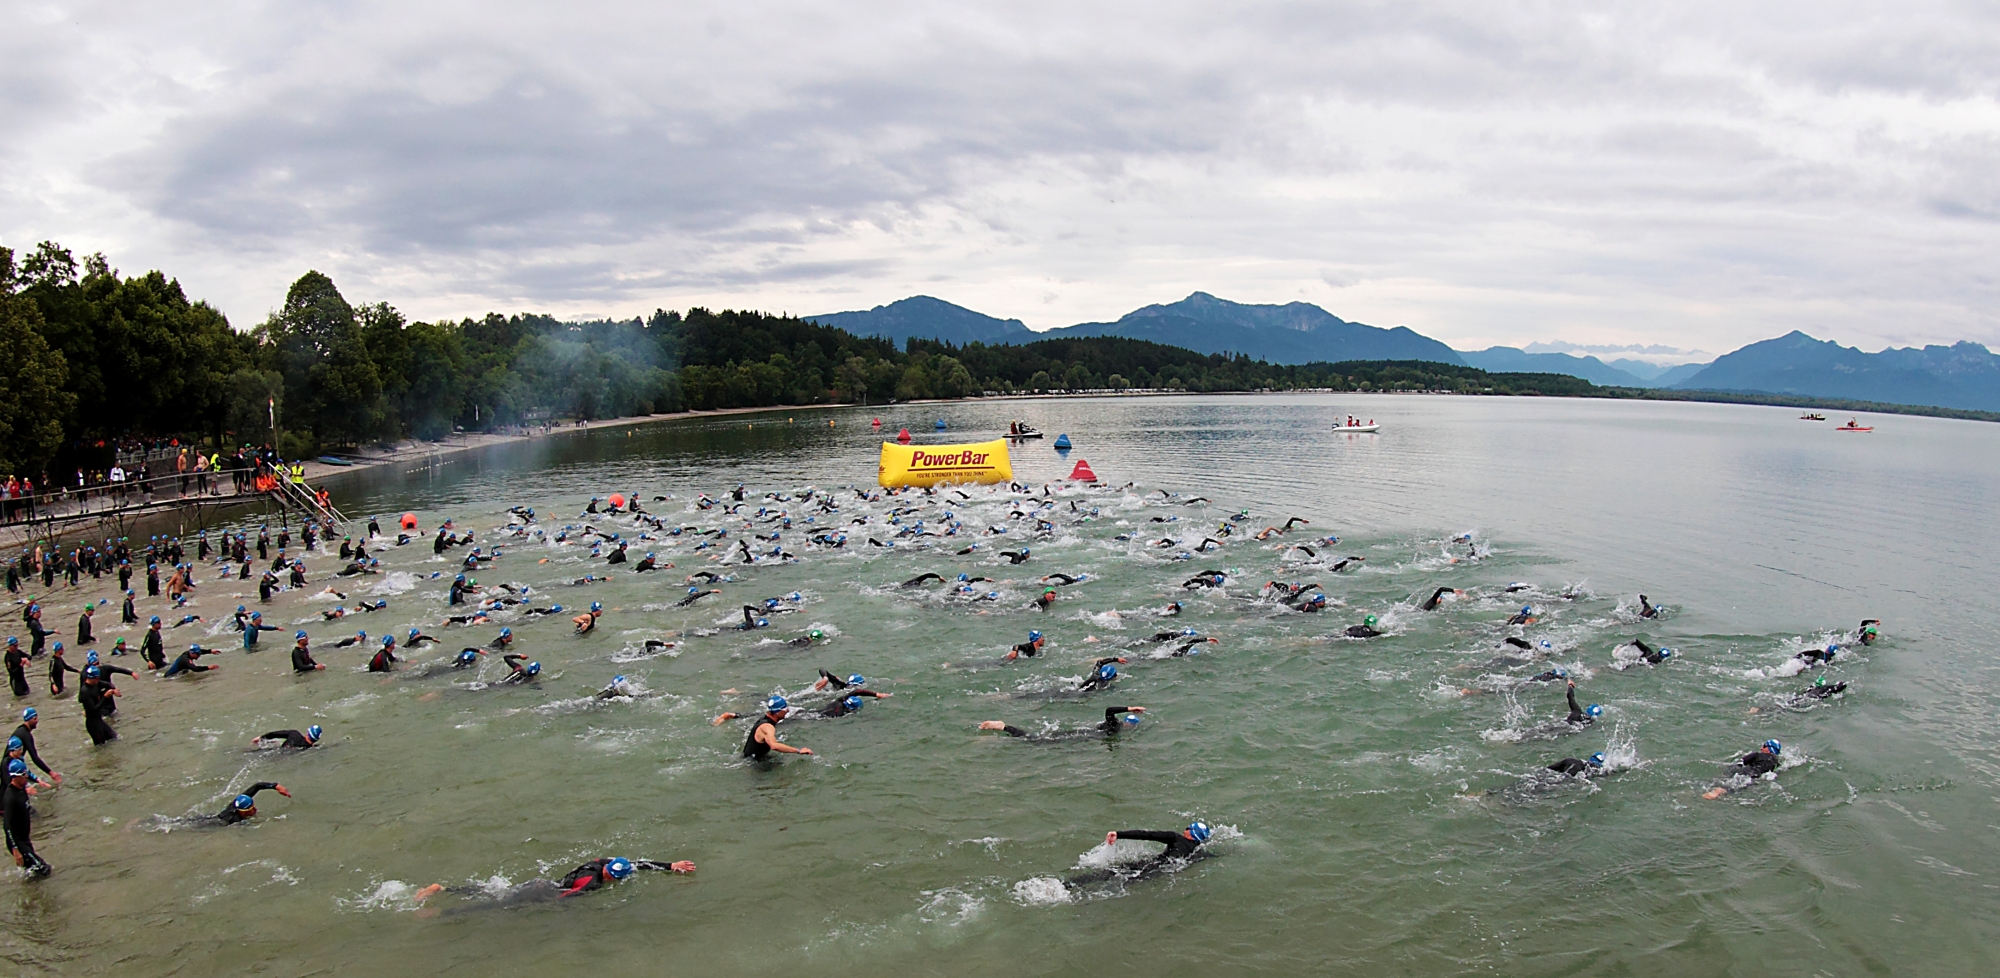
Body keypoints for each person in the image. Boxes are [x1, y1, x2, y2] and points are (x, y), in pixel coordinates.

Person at [412, 856, 695, 912]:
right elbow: (566, 898)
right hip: (543, 891)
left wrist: (670, 866)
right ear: (610, 874)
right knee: (495, 905)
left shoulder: (602, 862)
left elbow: (639, 864)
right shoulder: (593, 884)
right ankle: (445, 909)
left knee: (493, 889)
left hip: (542, 881)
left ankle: (446, 889)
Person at [1069, 822, 1214, 886]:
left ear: (1191, 833)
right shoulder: (1199, 853)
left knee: (1108, 874)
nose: (1184, 830)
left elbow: (1147, 835)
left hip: (1148, 867)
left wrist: (1118, 834)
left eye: (1187, 828)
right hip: (1158, 874)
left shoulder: (1176, 837)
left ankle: (1067, 885)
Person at [717, 695, 813, 759]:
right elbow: (774, 745)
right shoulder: (767, 727)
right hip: (755, 765)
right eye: (785, 709)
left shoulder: (764, 717)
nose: (787, 711)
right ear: (778, 712)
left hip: (752, 758)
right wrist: (799, 750)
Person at [979, 706, 1145, 741]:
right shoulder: (1116, 726)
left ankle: (1006, 728)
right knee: (1036, 741)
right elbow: (1109, 709)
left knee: (1039, 738)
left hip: (1079, 733)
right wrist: (1130, 708)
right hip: (1079, 737)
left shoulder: (1111, 725)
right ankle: (1005, 727)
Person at [4, 758, 50, 877]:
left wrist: (38, 780)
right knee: (43, 869)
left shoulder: (21, 789)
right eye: (24, 775)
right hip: (18, 842)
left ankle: (32, 893)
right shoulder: (11, 798)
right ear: (16, 777)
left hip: (25, 839)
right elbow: (7, 825)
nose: (26, 777)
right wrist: (15, 850)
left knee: (33, 872)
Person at [1703, 740, 1785, 799]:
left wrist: (1729, 770)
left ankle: (1717, 790)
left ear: (1768, 748)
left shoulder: (1757, 754)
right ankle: (1721, 791)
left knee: (1725, 781)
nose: (1761, 748)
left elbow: (1741, 762)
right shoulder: (1776, 763)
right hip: (1756, 778)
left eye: (1763, 746)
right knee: (1738, 787)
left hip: (1746, 771)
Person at [9, 709, 58, 784]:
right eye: (34, 718)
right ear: (28, 719)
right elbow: (35, 758)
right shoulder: (26, 735)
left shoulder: (21, 731)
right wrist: (51, 773)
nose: (37, 720)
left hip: (14, 770)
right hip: (13, 772)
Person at [213, 782, 291, 824]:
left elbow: (257, 786)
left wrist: (276, 786)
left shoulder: (239, 801)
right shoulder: (235, 820)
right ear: (242, 812)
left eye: (253, 806)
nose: (254, 810)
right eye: (250, 810)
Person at [77, 666, 117, 745]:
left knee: (114, 738)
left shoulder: (95, 684)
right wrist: (105, 697)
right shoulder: (85, 691)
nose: (99, 680)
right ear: (93, 678)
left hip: (99, 720)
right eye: (98, 679)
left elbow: (108, 684)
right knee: (101, 747)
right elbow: (94, 710)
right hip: (93, 724)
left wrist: (113, 690)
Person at [251, 726, 322, 749]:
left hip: (273, 753)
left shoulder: (294, 734)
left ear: (307, 733)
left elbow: (274, 734)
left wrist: (262, 738)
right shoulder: (311, 749)